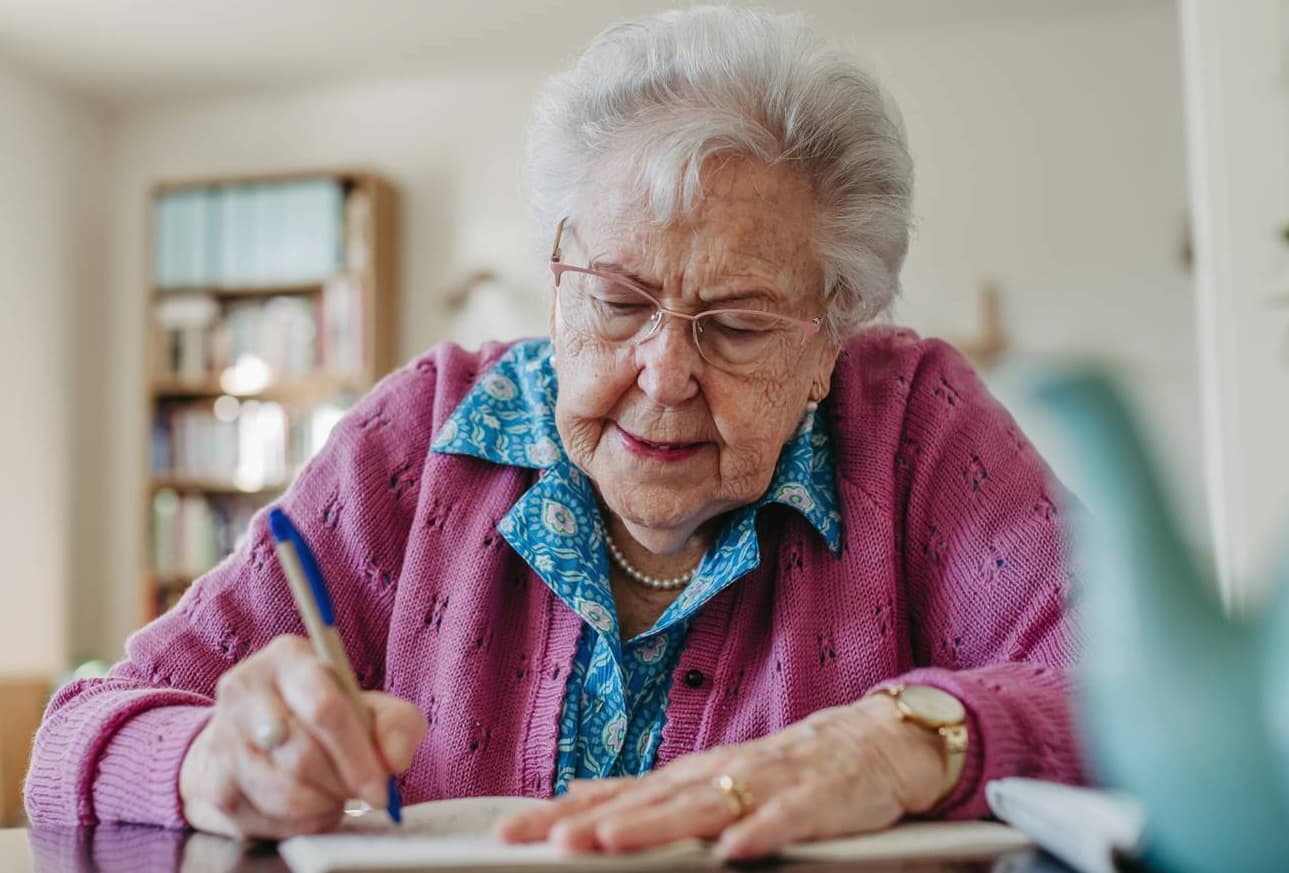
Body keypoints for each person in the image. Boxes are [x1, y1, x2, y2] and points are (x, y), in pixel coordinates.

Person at [25, 6, 1084, 859]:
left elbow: (1170, 711)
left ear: (833, 337)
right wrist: (213, 756)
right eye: (618, 303)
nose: (662, 375)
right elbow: (74, 734)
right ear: (554, 281)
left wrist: (902, 743)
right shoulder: (420, 440)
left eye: (738, 324)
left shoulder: (913, 428)